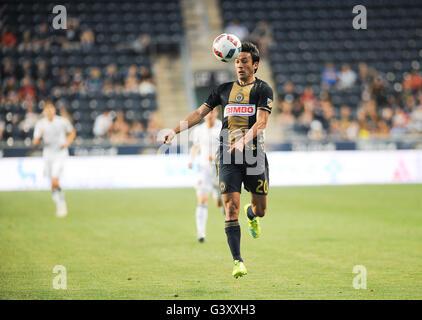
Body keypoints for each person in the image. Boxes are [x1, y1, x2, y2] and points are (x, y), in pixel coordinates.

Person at [163, 42, 273, 278]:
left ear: (255, 65)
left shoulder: (264, 90)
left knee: (260, 209)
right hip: (228, 156)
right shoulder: (223, 90)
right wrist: (174, 130)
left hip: (254, 156)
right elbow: (199, 113)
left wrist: (244, 140)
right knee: (230, 208)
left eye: (245, 61)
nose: (240, 65)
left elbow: (262, 122)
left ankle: (252, 215)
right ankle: (238, 261)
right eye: (237, 61)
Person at [33, 101, 76, 217]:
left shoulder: (62, 121)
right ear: (44, 111)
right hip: (47, 154)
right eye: (46, 109)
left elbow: (72, 132)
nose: (49, 111)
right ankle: (58, 202)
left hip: (60, 153)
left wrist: (68, 142)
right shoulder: (40, 124)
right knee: (52, 183)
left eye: (50, 108)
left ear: (54, 110)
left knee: (54, 180)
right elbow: (35, 142)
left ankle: (61, 204)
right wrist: (39, 136)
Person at [188, 108, 224, 243]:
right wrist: (191, 160)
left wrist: (215, 156)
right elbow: (195, 146)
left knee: (219, 202)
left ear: (216, 113)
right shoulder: (198, 130)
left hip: (220, 169)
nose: (209, 114)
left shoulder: (222, 127)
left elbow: (227, 146)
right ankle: (201, 233)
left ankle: (218, 197)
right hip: (204, 170)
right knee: (202, 200)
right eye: (206, 112)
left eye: (212, 112)